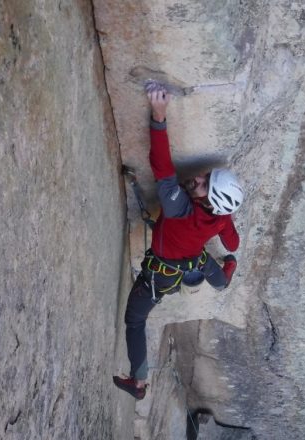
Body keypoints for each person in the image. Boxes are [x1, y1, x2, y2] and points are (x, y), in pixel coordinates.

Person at [112, 84, 245, 400]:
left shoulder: (180, 209)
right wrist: (227, 234)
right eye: (205, 176)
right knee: (213, 270)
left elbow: (162, 168)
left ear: (210, 201)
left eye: (203, 183)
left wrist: (159, 116)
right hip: (192, 261)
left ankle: (139, 382)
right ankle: (223, 278)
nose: (198, 177)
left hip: (159, 276)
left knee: (134, 319)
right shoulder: (222, 217)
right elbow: (234, 244)